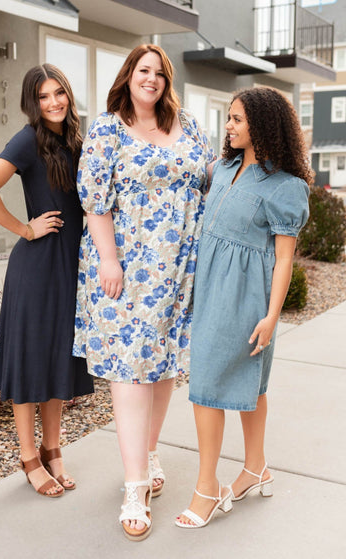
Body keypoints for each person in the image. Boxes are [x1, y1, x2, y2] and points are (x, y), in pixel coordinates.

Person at [73, 44, 214, 540]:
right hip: (126, 268)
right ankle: (134, 486)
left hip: (180, 269)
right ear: (129, 76)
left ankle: (149, 453)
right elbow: (94, 199)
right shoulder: (108, 128)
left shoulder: (191, 125)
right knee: (130, 371)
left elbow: (211, 177)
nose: (151, 79)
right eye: (143, 70)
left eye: (159, 72)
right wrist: (108, 259)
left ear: (167, 80)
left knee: (162, 366)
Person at [176, 87, 311, 528]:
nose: (228, 126)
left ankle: (206, 488)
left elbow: (285, 257)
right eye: (228, 118)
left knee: (210, 384)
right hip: (211, 288)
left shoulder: (287, 187)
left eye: (236, 119)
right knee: (250, 386)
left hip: (246, 296)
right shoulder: (222, 167)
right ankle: (256, 469)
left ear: (263, 125)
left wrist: (273, 316)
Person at [0, 64, 93, 498]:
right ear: (32, 102)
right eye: (43, 96)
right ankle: (28, 457)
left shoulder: (77, 140)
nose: (53, 102)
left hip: (71, 266)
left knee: (59, 356)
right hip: (37, 267)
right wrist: (24, 229)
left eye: (58, 92)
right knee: (29, 360)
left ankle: (52, 448)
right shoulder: (27, 140)